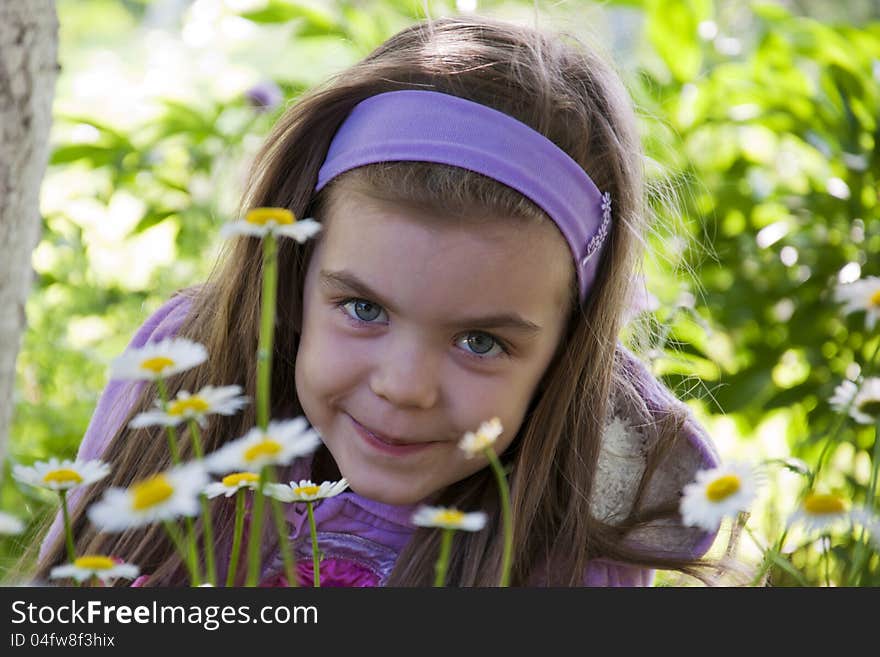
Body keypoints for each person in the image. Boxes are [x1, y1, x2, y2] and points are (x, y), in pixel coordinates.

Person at [34, 14, 725, 586]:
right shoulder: (189, 375)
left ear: (564, 352)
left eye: (481, 341)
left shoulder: (577, 529)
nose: (403, 387)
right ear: (295, 272)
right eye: (364, 309)